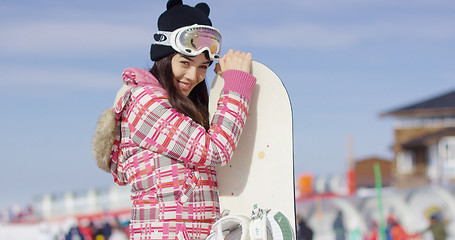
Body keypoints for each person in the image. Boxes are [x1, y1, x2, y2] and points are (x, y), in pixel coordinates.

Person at [92, 0, 256, 239]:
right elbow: (216, 150)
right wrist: (236, 86)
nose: (194, 76)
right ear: (164, 57)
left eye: (203, 66)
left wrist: (221, 90)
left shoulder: (179, 107)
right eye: (185, 62)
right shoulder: (145, 103)